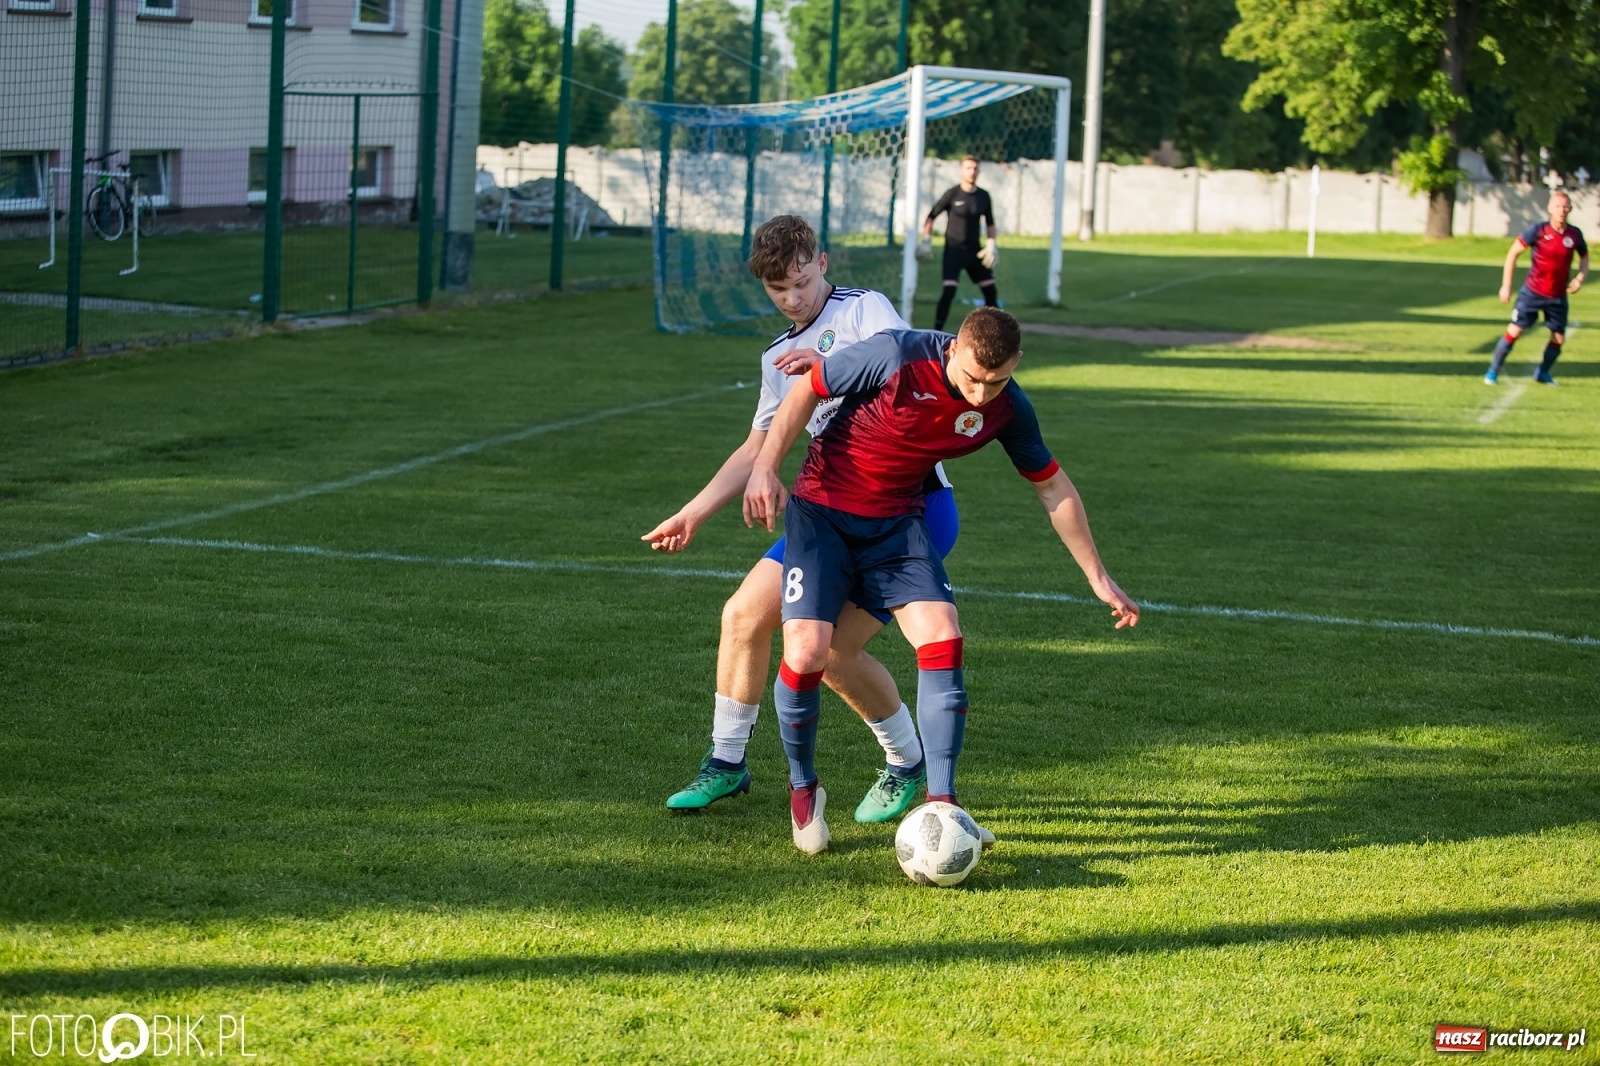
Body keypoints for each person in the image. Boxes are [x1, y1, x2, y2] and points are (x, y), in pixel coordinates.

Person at [744, 307, 1139, 855]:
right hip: (823, 512)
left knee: (943, 634)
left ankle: (943, 804)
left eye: (995, 382)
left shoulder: (1009, 406)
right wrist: (766, 467)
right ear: (953, 349)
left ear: (1017, 365)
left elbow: (1052, 487)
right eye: (973, 378)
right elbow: (809, 387)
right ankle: (804, 789)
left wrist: (1097, 575)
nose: (980, 395)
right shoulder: (896, 354)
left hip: (899, 522)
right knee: (810, 650)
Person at [643, 214, 961, 825]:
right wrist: (693, 512)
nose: (793, 299)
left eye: (800, 282)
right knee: (742, 616)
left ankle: (905, 763)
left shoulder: (865, 309)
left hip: (911, 510)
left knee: (834, 653)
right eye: (777, 290)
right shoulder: (775, 355)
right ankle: (727, 763)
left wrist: (827, 358)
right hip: (827, 515)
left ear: (823, 264)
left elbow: (908, 363)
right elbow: (756, 448)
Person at [1485, 190, 1588, 386]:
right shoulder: (1538, 231)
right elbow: (1513, 253)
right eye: (1557, 206)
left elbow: (1584, 256)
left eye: (1565, 206)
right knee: (1515, 330)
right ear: (1549, 208)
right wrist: (1506, 285)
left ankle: (1542, 373)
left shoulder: (1574, 235)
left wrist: (1580, 278)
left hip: (1557, 296)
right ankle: (1492, 372)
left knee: (1558, 338)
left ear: (1571, 209)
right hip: (1533, 292)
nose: (1562, 210)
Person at [919, 155, 1000, 332]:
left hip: (975, 252)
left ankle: (997, 332)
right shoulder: (952, 194)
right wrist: (926, 240)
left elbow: (990, 223)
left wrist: (992, 244)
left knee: (990, 292)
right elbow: (931, 217)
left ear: (979, 171)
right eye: (968, 168)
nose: (972, 172)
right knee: (949, 292)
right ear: (961, 171)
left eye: (975, 168)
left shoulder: (983, 196)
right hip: (953, 251)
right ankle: (936, 331)